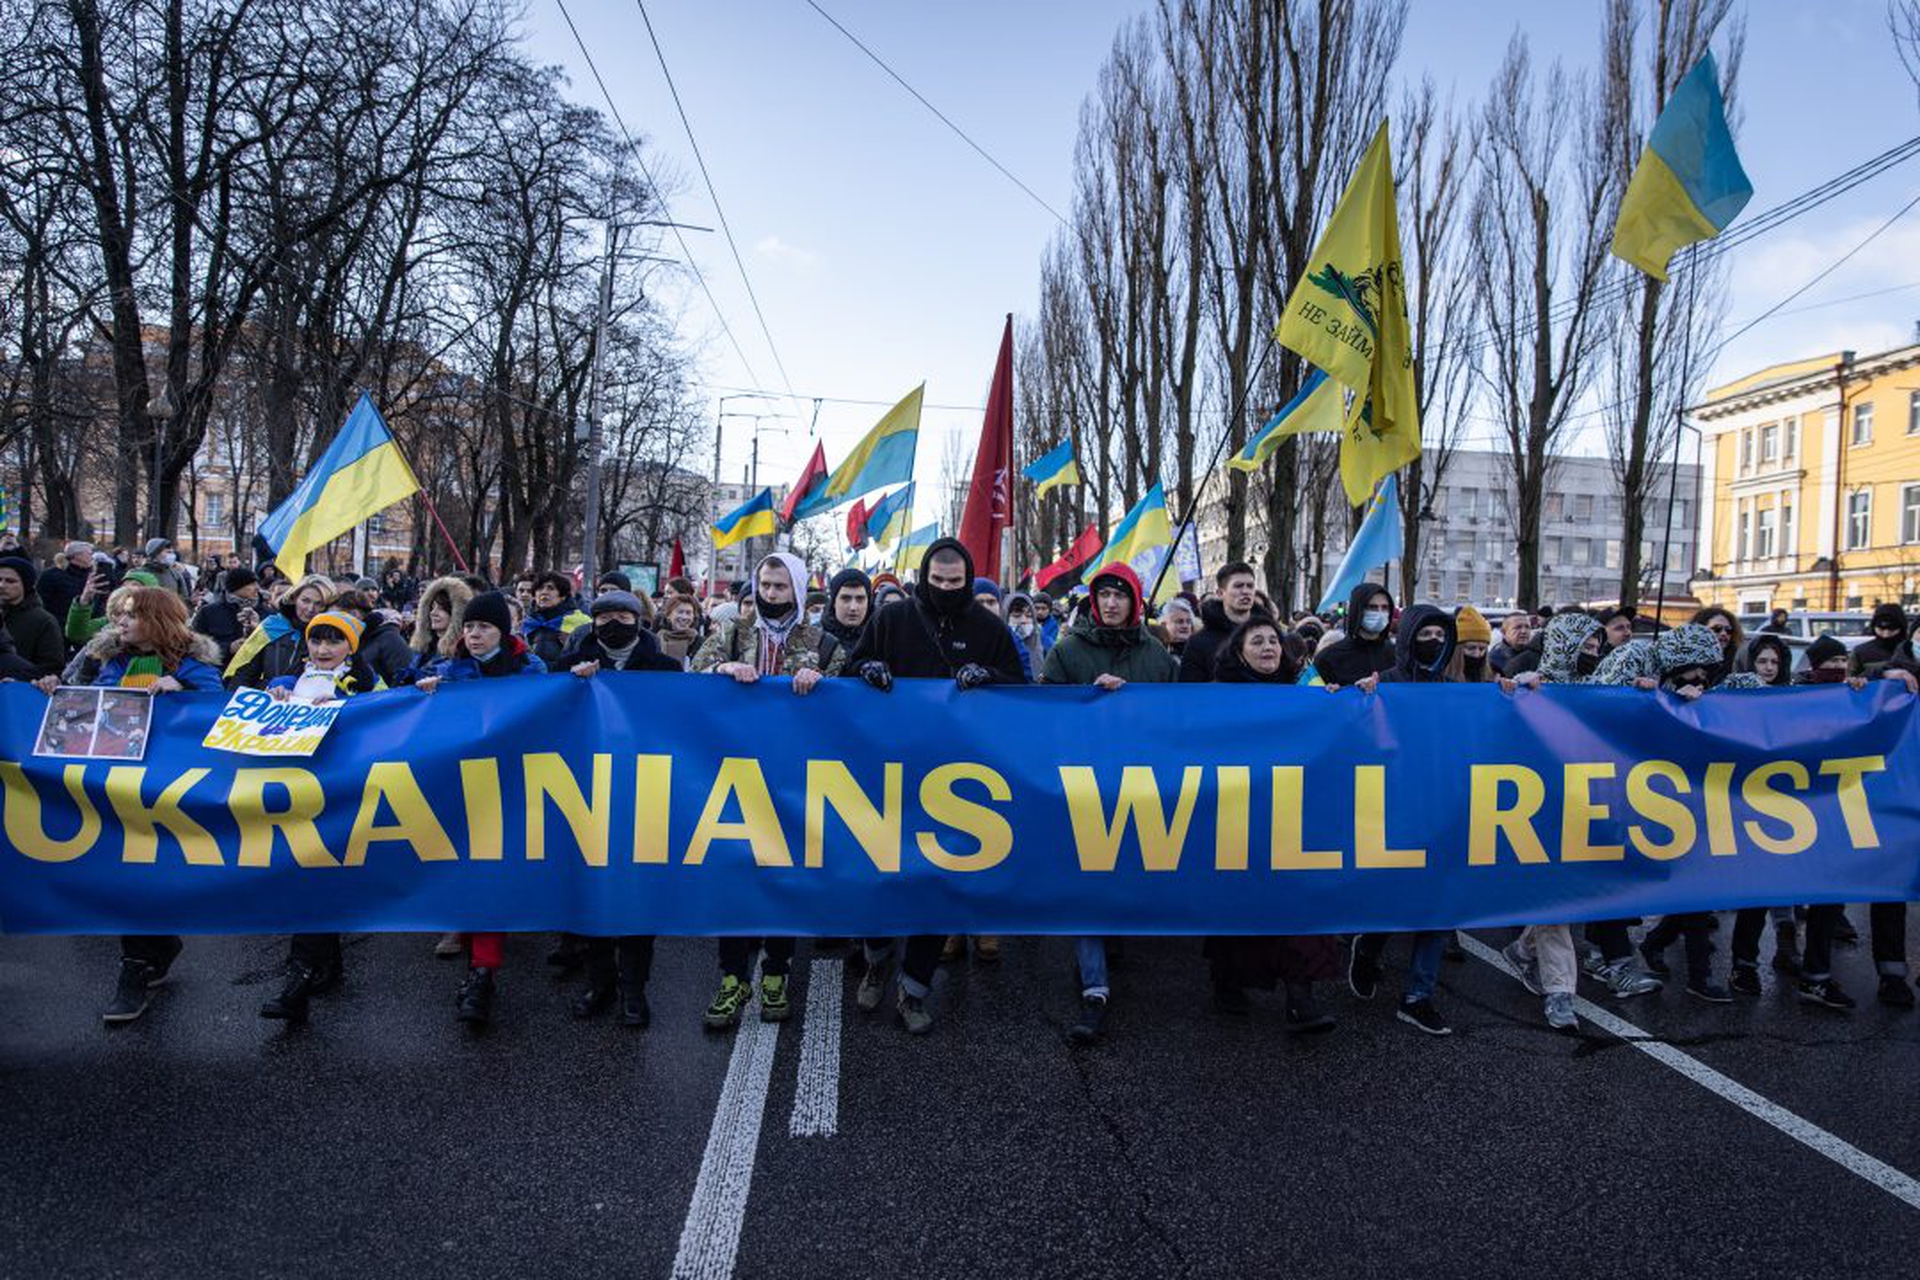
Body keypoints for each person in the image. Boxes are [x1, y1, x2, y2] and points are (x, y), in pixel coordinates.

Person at [842, 538, 1028, 1033]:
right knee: (878, 876)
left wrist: (988, 675)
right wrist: (867, 669)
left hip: (957, 782)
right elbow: (847, 673)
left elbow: (1021, 685)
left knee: (938, 884)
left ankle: (913, 989)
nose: (946, 589)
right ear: (924, 576)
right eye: (938, 581)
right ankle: (877, 958)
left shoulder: (989, 627)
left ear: (967, 579)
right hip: (888, 773)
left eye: (956, 582)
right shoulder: (891, 619)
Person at [36, 588, 225, 1024]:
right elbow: (81, 705)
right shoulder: (108, 660)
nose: (119, 622)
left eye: (130, 615)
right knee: (126, 872)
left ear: (157, 619)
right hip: (115, 788)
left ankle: (149, 954)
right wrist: (49, 688)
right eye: (117, 615)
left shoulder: (196, 666)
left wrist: (183, 690)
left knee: (152, 871)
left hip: (168, 789)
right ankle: (140, 961)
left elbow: (216, 711)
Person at [1041, 562, 1178, 1044]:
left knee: (1127, 872)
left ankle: (1113, 936)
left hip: (1141, 784)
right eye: (1105, 595)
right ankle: (1095, 984)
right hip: (1084, 784)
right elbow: (1043, 712)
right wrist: (1087, 702)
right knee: (1089, 879)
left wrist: (1135, 703)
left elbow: (1178, 717)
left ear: (1135, 602)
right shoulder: (1067, 651)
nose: (1112, 603)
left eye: (1122, 595)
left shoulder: (1157, 656)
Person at [690, 552, 824, 1031]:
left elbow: (851, 701)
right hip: (735, 778)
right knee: (735, 875)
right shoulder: (732, 632)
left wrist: (822, 682)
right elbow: (690, 677)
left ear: (798, 591)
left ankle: (776, 974)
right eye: (765, 586)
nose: (771, 595)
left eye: (780, 588)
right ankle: (732, 979)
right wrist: (721, 672)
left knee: (783, 877)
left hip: (795, 780)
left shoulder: (819, 640)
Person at [413, 590, 548, 1025]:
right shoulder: (447, 671)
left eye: (484, 627)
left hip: (511, 789)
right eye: (469, 626)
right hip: (460, 788)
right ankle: (478, 967)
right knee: (470, 875)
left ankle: (482, 972)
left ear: (503, 631)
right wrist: (423, 694)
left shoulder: (530, 669)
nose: (474, 634)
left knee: (493, 876)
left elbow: (550, 712)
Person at [1198, 615, 1337, 1033]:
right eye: (1256, 641)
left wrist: (1344, 703)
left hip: (1292, 816)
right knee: (1238, 906)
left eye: (1273, 641)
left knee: (1300, 904)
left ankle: (1301, 996)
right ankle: (1227, 981)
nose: (1268, 648)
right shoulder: (1217, 697)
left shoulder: (1303, 693)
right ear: (1238, 652)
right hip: (1237, 815)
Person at [254, 610, 381, 1024]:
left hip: (341, 793)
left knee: (318, 874)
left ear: (351, 648)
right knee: (308, 876)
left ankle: (299, 979)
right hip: (294, 794)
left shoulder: (363, 682)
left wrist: (350, 707)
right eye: (316, 641)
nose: (323, 650)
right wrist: (270, 698)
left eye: (333, 642)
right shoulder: (288, 681)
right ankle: (320, 966)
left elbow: (390, 714)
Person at [560, 591, 680, 1027]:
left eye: (622, 615)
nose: (613, 623)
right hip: (587, 797)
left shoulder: (665, 670)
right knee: (593, 892)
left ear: (639, 620)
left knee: (635, 897)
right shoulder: (572, 666)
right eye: (604, 616)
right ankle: (599, 982)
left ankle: (634, 989)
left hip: (644, 797)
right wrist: (570, 684)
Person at [1347, 605, 1462, 1036]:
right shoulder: (1387, 684)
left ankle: (1418, 996)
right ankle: (1370, 946)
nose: (1433, 640)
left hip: (1443, 808)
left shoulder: (1456, 690)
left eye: (1440, 633)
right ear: (1409, 636)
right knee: (1393, 896)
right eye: (1425, 632)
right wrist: (1360, 699)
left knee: (1438, 905)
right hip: (1393, 808)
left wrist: (1510, 692)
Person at [1503, 613, 1608, 1030]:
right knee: (1557, 898)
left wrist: (1649, 694)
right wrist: (1511, 695)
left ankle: (1523, 950)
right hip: (1541, 807)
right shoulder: (1531, 683)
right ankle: (1560, 991)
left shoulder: (1602, 689)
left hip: (1589, 805)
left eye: (1597, 646)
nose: (1594, 652)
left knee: (1571, 898)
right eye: (1585, 645)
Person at [227, 573, 336, 689]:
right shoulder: (271, 626)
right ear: (294, 598)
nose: (310, 609)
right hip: (269, 700)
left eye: (319, 604)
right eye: (305, 601)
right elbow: (244, 674)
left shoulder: (334, 635)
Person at [1179, 562, 1260, 682]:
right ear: (1220, 594)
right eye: (1238, 586)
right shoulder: (1199, 642)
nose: (1246, 591)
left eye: (1250, 586)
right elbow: (1190, 692)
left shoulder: (1270, 637)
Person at [1313, 582, 1397, 687]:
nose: (1380, 613)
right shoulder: (1328, 658)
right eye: (1372, 607)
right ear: (1357, 610)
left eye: (1385, 608)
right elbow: (1308, 697)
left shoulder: (1397, 655)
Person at [0, 555, 69, 677]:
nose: (2, 585)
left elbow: (52, 668)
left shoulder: (43, 620)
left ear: (25, 585)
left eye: (10, 581)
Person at [405, 575, 475, 689]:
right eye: (432, 607)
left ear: (457, 613)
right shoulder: (423, 648)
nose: (433, 613)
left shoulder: (464, 651)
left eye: (441, 608)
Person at [189, 567, 261, 664]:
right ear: (237, 587)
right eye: (251, 584)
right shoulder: (208, 612)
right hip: (219, 670)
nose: (257, 588)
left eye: (257, 583)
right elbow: (195, 644)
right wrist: (229, 648)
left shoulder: (265, 611)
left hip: (255, 673)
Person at [521, 570, 590, 670]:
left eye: (551, 588)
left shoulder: (580, 622)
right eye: (540, 589)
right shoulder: (527, 623)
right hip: (532, 681)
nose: (544, 592)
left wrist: (572, 646)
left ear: (562, 596)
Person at [37, 540, 96, 625]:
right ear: (77, 555)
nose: (92, 557)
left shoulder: (91, 577)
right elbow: (41, 602)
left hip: (85, 626)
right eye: (89, 554)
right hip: (57, 626)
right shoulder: (52, 575)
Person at [1851, 603, 1911, 677]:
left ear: (1901, 628)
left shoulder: (1913, 649)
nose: (1886, 634)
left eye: (1892, 629)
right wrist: (1882, 674)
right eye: (1881, 629)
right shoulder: (1861, 651)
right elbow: (1849, 680)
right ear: (1874, 627)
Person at [1005, 591, 1046, 680]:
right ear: (1005, 616)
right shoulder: (996, 645)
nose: (1023, 620)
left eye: (1029, 616)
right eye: (1017, 616)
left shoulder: (1045, 644)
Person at [655, 594, 704, 667]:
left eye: (688, 613)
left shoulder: (700, 643)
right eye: (680, 612)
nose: (684, 617)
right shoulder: (655, 640)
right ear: (668, 615)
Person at [1451, 605, 1495, 682]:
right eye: (1471, 648)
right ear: (1457, 648)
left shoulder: (1494, 674)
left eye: (1482, 649)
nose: (1477, 654)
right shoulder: (1439, 675)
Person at [1154, 596, 1196, 664]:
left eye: (1188, 622)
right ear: (1164, 625)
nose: (1185, 626)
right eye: (1179, 622)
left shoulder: (1197, 650)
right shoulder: (1156, 650)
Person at [1489, 611, 1532, 675]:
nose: (1524, 631)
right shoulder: (1493, 660)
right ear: (1504, 632)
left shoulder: (1538, 656)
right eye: (1518, 627)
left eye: (1527, 627)